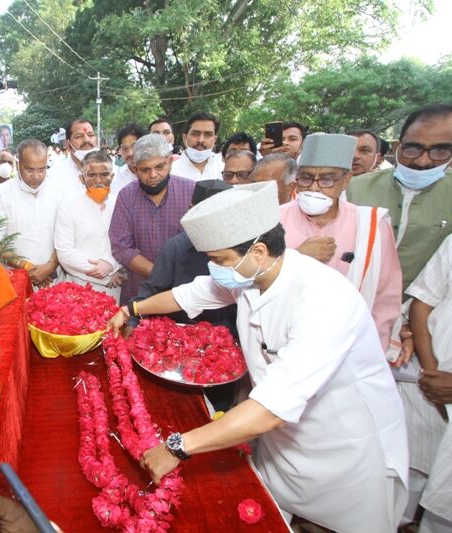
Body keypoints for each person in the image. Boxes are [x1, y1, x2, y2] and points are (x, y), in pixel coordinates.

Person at [108, 180, 408, 532]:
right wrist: (130, 309)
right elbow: (190, 294)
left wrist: (176, 447)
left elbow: (272, 407)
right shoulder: (252, 275)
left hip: (345, 446)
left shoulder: (323, 300)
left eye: (219, 260)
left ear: (259, 251)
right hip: (282, 439)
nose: (214, 268)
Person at [280, 133, 402, 353]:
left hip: (351, 346)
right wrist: (297, 257)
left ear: (345, 180)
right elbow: (253, 279)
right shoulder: (274, 219)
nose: (314, 188)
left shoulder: (371, 225)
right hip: (284, 340)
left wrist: (369, 351)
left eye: (327, 179)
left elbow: (385, 297)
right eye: (306, 178)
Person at [131, 179, 239, 412]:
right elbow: (159, 291)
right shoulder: (177, 247)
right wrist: (131, 315)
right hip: (179, 350)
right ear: (190, 211)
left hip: (226, 347)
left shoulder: (244, 253)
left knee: (219, 409)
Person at [348, 103, 452, 291]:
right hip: (355, 300)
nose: (423, 161)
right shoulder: (355, 187)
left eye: (440, 151)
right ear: (397, 146)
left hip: (422, 314)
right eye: (413, 149)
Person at [398, 231, 452, 533]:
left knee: (448, 506)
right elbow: (422, 303)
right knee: (407, 471)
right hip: (426, 382)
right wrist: (431, 372)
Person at [109, 134, 196, 304]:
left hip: (183, 292)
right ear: (135, 169)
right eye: (145, 169)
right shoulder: (126, 196)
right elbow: (121, 247)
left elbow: (201, 241)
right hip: (139, 292)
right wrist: (160, 273)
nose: (153, 175)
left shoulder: (191, 191)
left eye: (159, 166)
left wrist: (174, 277)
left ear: (170, 162)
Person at [0, 140, 61, 289]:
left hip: (54, 279)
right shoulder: (0, 194)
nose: (36, 176)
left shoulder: (59, 191)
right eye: (29, 169)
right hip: (16, 282)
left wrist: (50, 267)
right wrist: (28, 268)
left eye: (42, 169)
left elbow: (67, 236)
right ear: (18, 163)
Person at [54, 151, 123, 298]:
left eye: (104, 174)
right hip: (79, 286)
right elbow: (64, 252)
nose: (98, 180)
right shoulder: (68, 205)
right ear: (81, 178)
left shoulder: (121, 204)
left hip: (115, 286)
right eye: (91, 175)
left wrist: (111, 264)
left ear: (112, 177)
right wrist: (105, 273)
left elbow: (128, 244)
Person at [48, 118, 97, 194]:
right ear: (68, 144)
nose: (87, 140)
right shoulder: (53, 176)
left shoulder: (112, 170)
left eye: (91, 135)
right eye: (79, 136)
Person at [171, 112, 224, 181]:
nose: (201, 140)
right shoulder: (171, 171)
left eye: (208, 134)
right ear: (185, 138)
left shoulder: (222, 169)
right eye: (195, 134)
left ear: (214, 140)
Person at [110, 123, 146, 196]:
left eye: (135, 146)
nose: (130, 153)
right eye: (125, 148)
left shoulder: (157, 174)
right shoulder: (115, 177)